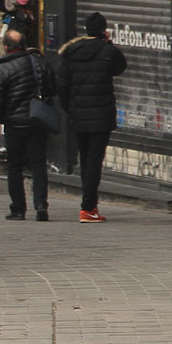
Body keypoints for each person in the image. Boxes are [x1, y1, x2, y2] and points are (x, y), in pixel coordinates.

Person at [57, 12, 127, 223]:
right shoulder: (108, 51)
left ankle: (89, 206)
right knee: (94, 161)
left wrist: (70, 109)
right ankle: (88, 208)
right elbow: (120, 68)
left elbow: (62, 86)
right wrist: (109, 43)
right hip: (101, 116)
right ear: (104, 30)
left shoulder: (70, 51)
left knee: (85, 159)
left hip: (78, 115)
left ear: (86, 29)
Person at [0, 30, 57, 221]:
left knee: (14, 166)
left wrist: (2, 118)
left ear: (5, 47)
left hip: (14, 125)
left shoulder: (2, 69)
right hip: (37, 121)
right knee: (38, 164)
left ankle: (18, 208)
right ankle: (41, 205)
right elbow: (52, 86)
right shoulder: (39, 63)